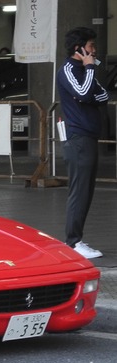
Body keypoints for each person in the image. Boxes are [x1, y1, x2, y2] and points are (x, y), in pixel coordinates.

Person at [56, 27, 109, 259]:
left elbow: (103, 95)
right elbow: (84, 93)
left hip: (87, 136)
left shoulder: (85, 70)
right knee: (79, 191)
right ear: (78, 48)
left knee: (85, 191)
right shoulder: (68, 69)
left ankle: (76, 240)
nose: (94, 50)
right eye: (90, 46)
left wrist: (88, 75)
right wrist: (89, 69)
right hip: (78, 138)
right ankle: (73, 242)